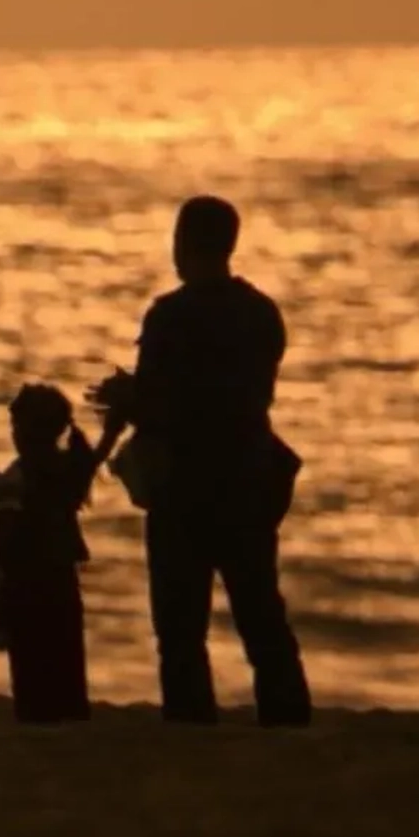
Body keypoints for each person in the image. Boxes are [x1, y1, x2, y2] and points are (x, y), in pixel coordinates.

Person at [94, 196, 311, 727]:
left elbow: (165, 404)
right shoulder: (261, 313)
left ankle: (190, 724)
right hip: (247, 475)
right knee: (260, 611)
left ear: (182, 243)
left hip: (184, 484)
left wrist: (124, 399)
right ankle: (286, 719)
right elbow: (241, 397)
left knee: (179, 625)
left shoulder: (170, 315)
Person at [0, 385, 125, 724]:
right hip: (60, 573)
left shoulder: (20, 475)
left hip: (25, 578)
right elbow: (95, 458)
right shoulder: (67, 465)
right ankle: (69, 713)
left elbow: (7, 529)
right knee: (65, 655)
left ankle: (37, 715)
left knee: (30, 662)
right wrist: (114, 428)